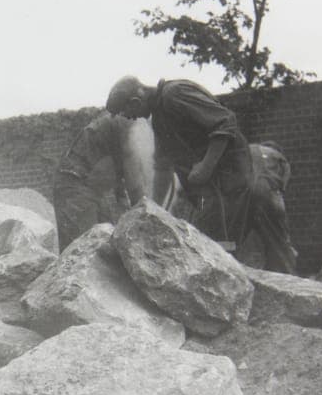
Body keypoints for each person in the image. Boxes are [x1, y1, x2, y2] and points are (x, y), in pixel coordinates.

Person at [105, 75, 298, 273]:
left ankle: (295, 294)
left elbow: (225, 122)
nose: (130, 118)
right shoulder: (160, 120)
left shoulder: (175, 94)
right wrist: (153, 209)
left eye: (127, 112)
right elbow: (163, 168)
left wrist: (206, 166)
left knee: (264, 234)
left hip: (242, 176)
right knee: (212, 248)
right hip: (221, 189)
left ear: (136, 101)